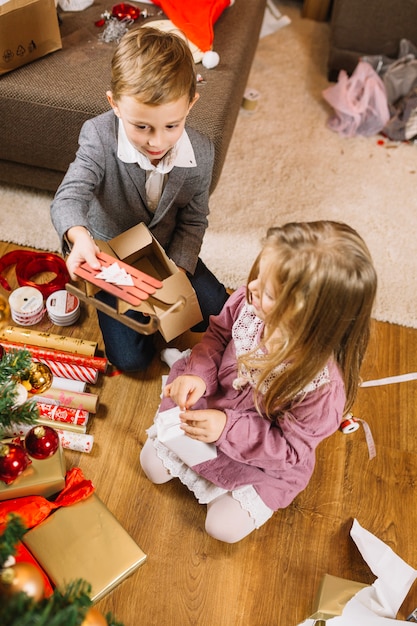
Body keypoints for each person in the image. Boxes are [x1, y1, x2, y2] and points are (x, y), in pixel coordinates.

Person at [140, 221, 377, 543]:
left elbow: (289, 448)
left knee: (221, 528)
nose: (251, 289)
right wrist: (197, 373)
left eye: (267, 292)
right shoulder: (248, 304)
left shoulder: (322, 389)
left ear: (310, 318)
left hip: (260, 454)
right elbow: (217, 337)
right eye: (258, 277)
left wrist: (226, 428)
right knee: (151, 466)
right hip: (213, 401)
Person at [50, 27, 229, 372]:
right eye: (142, 127)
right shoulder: (98, 136)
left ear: (191, 103)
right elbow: (68, 196)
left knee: (217, 313)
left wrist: (177, 268)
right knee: (132, 360)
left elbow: (194, 220)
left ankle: (164, 311)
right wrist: (80, 238)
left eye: (171, 126)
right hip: (112, 258)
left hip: (164, 255)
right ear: (114, 104)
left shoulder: (202, 153)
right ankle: (132, 318)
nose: (157, 142)